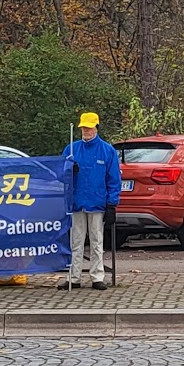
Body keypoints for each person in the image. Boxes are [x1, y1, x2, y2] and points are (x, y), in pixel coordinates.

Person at [59, 111, 120, 291]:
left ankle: (97, 277)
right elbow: (60, 175)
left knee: (97, 241)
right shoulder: (71, 149)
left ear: (96, 128)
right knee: (75, 242)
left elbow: (114, 179)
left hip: (97, 202)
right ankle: (74, 277)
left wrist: (112, 204)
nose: (86, 130)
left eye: (89, 127)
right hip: (77, 202)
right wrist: (69, 171)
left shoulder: (107, 150)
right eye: (83, 127)